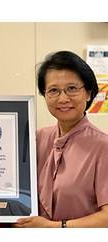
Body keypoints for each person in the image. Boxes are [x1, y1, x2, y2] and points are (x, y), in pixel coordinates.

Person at [14, 50, 108, 228]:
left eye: (72, 88)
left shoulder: (103, 147)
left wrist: (57, 228)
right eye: (54, 90)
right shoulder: (36, 139)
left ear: (88, 93)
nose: (63, 98)